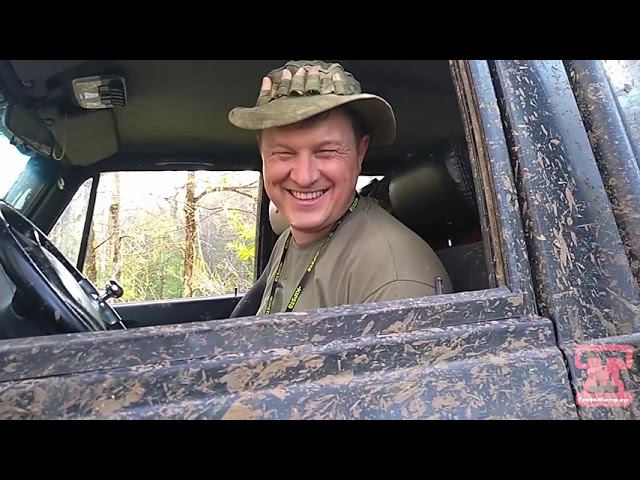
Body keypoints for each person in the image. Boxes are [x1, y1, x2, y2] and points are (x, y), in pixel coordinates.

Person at [228, 60, 451, 315]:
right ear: (263, 155)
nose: (304, 177)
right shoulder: (288, 240)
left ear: (360, 152)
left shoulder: (394, 281)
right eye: (283, 154)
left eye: (326, 152)